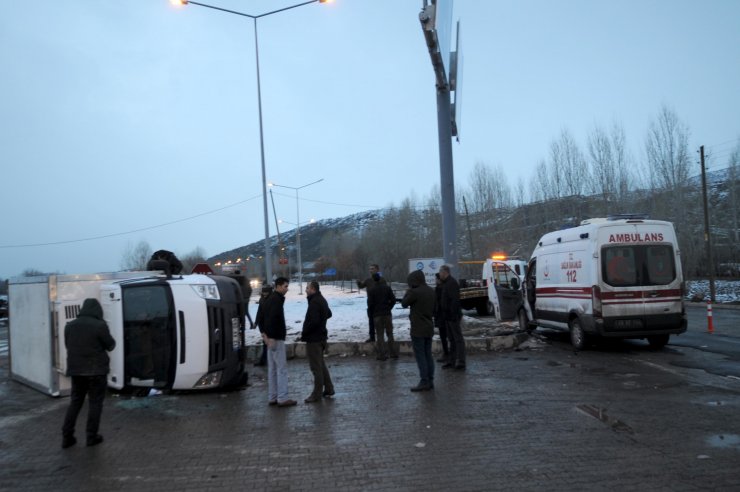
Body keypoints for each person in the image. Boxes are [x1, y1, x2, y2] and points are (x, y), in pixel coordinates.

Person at [61, 298, 116, 449]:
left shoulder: (70, 326)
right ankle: (91, 437)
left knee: (75, 403)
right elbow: (110, 345)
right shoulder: (100, 325)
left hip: (76, 371)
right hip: (96, 371)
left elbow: (68, 345)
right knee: (95, 404)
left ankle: (67, 437)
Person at [258, 277, 297, 407]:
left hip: (269, 338)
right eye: (285, 286)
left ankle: (273, 397)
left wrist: (265, 335)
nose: (287, 289)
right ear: (279, 286)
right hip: (276, 338)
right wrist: (271, 337)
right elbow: (273, 320)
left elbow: (262, 318)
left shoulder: (269, 299)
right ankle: (282, 397)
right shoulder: (276, 300)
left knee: (273, 369)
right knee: (281, 369)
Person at [299, 281, 335, 403]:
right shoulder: (321, 299)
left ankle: (316, 394)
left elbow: (313, 321)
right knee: (321, 364)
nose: (305, 290)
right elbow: (328, 313)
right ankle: (329, 388)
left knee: (316, 368)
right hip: (321, 337)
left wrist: (305, 332)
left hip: (314, 339)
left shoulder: (314, 302)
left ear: (313, 289)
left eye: (307, 288)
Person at [402, 270, 436, 391]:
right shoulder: (431, 291)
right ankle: (430, 380)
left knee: (420, 355)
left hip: (418, 328)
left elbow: (404, 304)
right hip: (429, 326)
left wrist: (407, 292)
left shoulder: (414, 292)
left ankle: (424, 381)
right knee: (428, 355)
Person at [439, 264, 466, 370]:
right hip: (447, 316)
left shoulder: (452, 283)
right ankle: (452, 360)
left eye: (440, 272)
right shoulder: (446, 283)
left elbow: (455, 301)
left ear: (445, 272)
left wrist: (453, 314)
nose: (439, 274)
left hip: (452, 316)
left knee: (457, 339)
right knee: (451, 339)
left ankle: (460, 361)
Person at [368, 272, 398, 360]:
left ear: (373, 280)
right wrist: (389, 308)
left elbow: (370, 304)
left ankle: (382, 355)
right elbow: (393, 300)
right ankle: (393, 353)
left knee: (380, 335)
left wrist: (372, 313)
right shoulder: (387, 288)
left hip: (377, 315)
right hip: (387, 314)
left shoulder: (371, 290)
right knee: (390, 333)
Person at [357, 264, 386, 343]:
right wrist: (358, 283)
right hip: (370, 304)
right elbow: (361, 286)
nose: (370, 270)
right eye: (370, 269)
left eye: (372, 269)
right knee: (371, 321)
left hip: (379, 304)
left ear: (377, 269)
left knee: (380, 322)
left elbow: (385, 291)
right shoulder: (368, 280)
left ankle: (381, 338)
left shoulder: (382, 280)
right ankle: (372, 337)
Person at [253, 284, 273, 367]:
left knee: (267, 343)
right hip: (262, 325)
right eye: (263, 292)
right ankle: (265, 360)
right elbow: (259, 312)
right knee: (265, 343)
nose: (264, 294)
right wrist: (256, 322)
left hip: (269, 325)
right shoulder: (262, 299)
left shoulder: (272, 300)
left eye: (266, 292)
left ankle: (264, 361)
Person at [433, 273, 449, 363]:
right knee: (445, 335)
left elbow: (437, 303)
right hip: (443, 315)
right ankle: (447, 353)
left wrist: (435, 313)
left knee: (443, 336)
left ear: (439, 279)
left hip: (441, 315)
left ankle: (446, 353)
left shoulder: (439, 289)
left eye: (436, 278)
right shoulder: (443, 287)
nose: (435, 280)